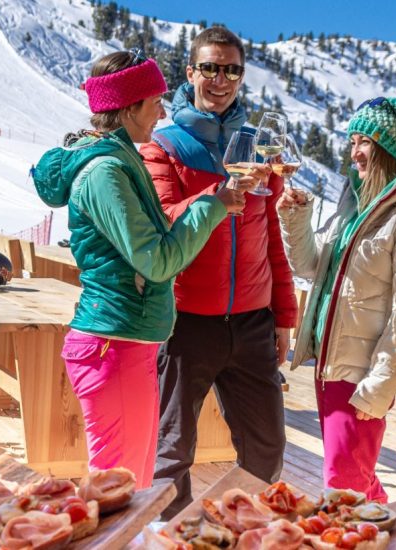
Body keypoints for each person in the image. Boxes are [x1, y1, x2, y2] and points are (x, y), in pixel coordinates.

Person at [32, 50, 244, 489]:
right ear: (129, 107)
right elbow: (158, 260)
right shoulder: (106, 172)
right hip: (114, 342)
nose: (163, 110)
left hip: (128, 339)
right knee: (119, 485)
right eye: (155, 102)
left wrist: (210, 205)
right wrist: (211, 207)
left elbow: (147, 239)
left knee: (133, 481)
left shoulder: (124, 160)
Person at [139, 26, 297, 518]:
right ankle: (173, 537)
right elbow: (162, 219)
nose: (220, 78)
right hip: (186, 321)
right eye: (210, 67)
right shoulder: (163, 144)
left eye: (231, 69)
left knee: (267, 447)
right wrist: (219, 193)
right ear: (190, 73)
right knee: (172, 454)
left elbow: (271, 238)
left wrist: (284, 317)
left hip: (253, 322)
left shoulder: (257, 146)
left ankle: (243, 529)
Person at [277, 91, 396, 502]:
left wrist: (379, 387)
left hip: (361, 377)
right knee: (355, 479)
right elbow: (310, 269)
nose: (354, 152)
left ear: (388, 148)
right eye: (352, 140)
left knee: (344, 486)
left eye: (364, 142)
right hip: (331, 366)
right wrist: (296, 218)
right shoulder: (355, 203)